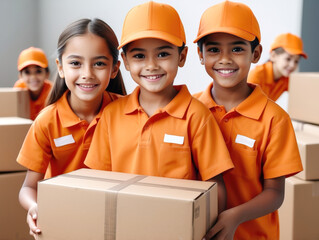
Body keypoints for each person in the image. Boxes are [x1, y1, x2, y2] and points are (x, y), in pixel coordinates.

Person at [85, 0, 233, 231]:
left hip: (179, 229)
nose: (151, 65)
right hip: (123, 228)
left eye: (163, 54)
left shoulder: (197, 116)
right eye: (139, 56)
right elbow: (98, 181)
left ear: (182, 56)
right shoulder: (111, 116)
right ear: (124, 61)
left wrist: (208, 227)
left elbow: (216, 185)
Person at [193, 1, 303, 239]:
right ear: (200, 55)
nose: (225, 59)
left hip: (254, 234)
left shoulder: (275, 119)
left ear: (256, 54)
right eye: (213, 50)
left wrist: (235, 216)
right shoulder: (189, 109)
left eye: (237, 49)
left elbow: (275, 193)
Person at [17, 18, 126, 238]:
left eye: (99, 63)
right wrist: (34, 206)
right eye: (76, 63)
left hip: (115, 220)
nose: (87, 73)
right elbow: (28, 188)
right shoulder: (47, 121)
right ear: (60, 67)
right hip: (65, 220)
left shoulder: (126, 112)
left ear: (114, 69)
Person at [248, 33, 307, 101]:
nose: (292, 65)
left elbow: (303, 92)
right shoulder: (256, 77)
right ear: (273, 56)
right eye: (288, 59)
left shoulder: (286, 79)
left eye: (296, 61)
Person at [14, 47, 53, 120]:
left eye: (38, 71)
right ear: (20, 76)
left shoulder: (53, 92)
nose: (33, 77)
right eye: (27, 72)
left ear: (47, 74)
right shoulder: (18, 90)